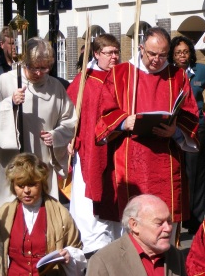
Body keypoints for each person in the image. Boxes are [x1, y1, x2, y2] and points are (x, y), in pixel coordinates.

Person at [94, 27, 199, 227]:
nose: (156, 60)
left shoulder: (177, 76)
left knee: (163, 224)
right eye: (151, 54)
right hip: (129, 158)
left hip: (165, 160)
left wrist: (175, 131)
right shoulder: (120, 74)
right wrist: (124, 121)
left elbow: (190, 114)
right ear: (141, 48)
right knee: (134, 222)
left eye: (162, 55)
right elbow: (104, 113)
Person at [0, 37, 76, 216]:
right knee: (8, 214)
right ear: (25, 63)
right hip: (9, 160)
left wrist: (56, 136)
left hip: (41, 157)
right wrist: (10, 103)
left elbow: (69, 120)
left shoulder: (55, 87)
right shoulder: (7, 81)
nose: (39, 73)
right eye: (35, 67)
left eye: (44, 68)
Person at [67, 34, 123, 256]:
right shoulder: (85, 81)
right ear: (96, 54)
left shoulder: (124, 78)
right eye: (109, 53)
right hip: (91, 150)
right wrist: (70, 139)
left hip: (117, 151)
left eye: (116, 52)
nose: (114, 57)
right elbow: (69, 113)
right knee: (88, 207)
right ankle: (92, 253)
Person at [169, 35, 205, 234]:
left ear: (191, 53)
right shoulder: (168, 72)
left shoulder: (201, 71)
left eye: (185, 52)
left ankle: (195, 221)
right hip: (173, 128)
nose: (182, 56)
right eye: (177, 53)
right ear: (172, 55)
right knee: (177, 172)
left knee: (195, 173)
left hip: (196, 127)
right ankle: (178, 215)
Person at [86, 194, 187, 276]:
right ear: (134, 225)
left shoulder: (175, 255)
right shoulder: (103, 261)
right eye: (159, 223)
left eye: (169, 221)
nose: (168, 228)